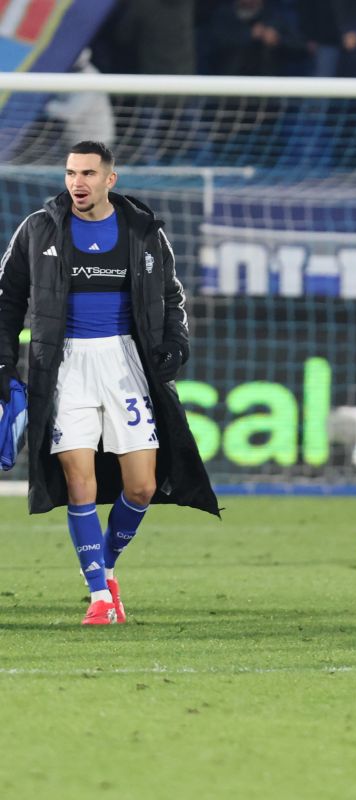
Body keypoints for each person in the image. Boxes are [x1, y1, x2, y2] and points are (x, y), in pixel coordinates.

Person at [0, 141, 219, 625]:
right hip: (64, 367)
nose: (77, 182)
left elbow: (172, 297)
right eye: (71, 173)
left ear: (109, 180)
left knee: (141, 487)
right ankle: (99, 596)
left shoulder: (142, 230)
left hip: (125, 363)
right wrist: (4, 365)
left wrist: (175, 346)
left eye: (88, 173)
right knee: (80, 483)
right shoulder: (37, 230)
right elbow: (6, 301)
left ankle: (107, 566)